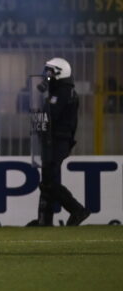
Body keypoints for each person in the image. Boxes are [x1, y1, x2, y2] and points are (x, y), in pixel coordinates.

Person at [28, 57, 90, 226]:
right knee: (47, 180)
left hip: (58, 140)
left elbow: (51, 114)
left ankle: (77, 210)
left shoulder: (63, 92)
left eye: (49, 71)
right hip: (52, 140)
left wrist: (44, 100)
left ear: (59, 73)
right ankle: (44, 220)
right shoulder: (59, 91)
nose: (46, 74)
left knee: (49, 182)